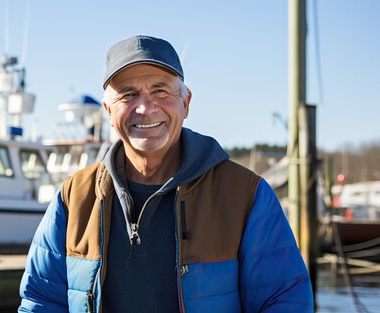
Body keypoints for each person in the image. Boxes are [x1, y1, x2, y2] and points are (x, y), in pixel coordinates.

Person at [18, 35, 313, 312]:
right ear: (108, 110)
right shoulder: (74, 196)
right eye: (128, 94)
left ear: (185, 103)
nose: (145, 108)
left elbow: (283, 300)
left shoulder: (245, 194)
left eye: (160, 90)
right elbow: (40, 300)